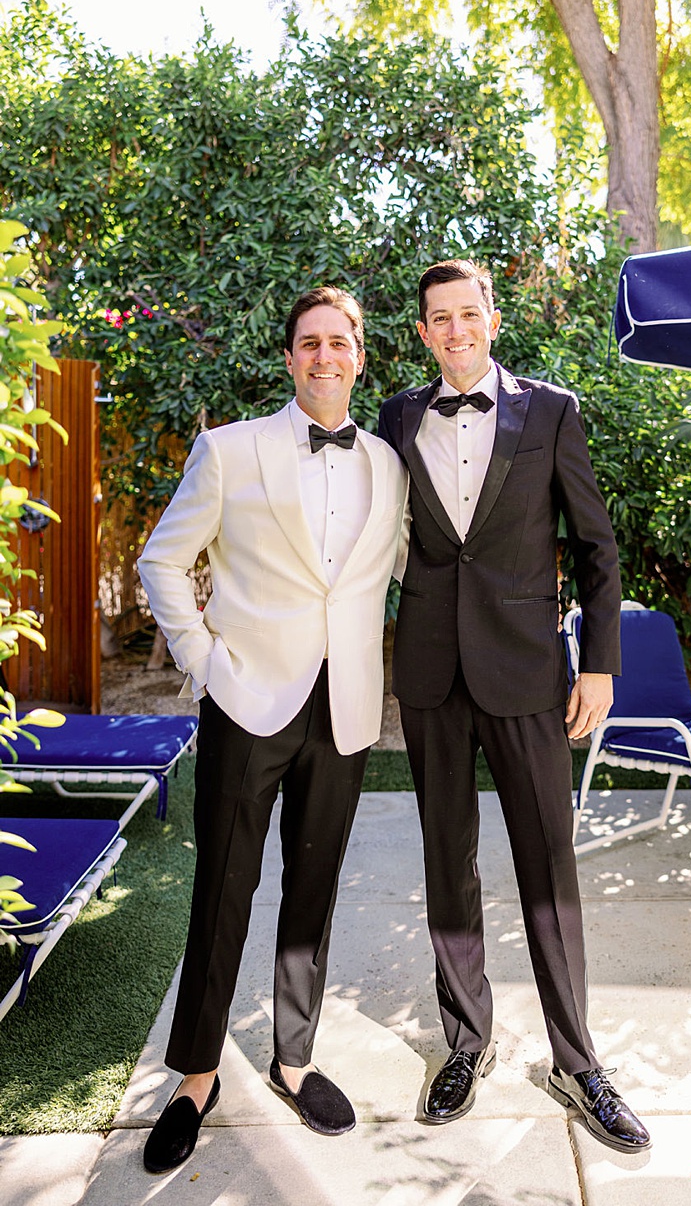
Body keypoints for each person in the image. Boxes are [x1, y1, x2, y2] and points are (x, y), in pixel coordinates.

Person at [376, 258, 649, 1152]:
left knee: (548, 868)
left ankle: (577, 1062)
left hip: (530, 674)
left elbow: (597, 548)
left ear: (492, 320)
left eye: (468, 315)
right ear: (422, 333)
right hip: (429, 675)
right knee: (445, 862)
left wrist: (598, 665)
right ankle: (467, 1041)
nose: (455, 331)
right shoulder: (396, 419)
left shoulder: (553, 410)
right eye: (438, 320)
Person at [137, 287, 408, 1172]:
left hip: (347, 706)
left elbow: (387, 569)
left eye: (341, 343)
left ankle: (295, 1059)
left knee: (315, 889)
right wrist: (206, 660)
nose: (326, 357)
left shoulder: (390, 465)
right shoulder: (229, 450)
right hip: (246, 701)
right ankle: (196, 1074)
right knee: (223, 886)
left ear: (360, 357)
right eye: (310, 344)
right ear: (290, 357)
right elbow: (164, 560)